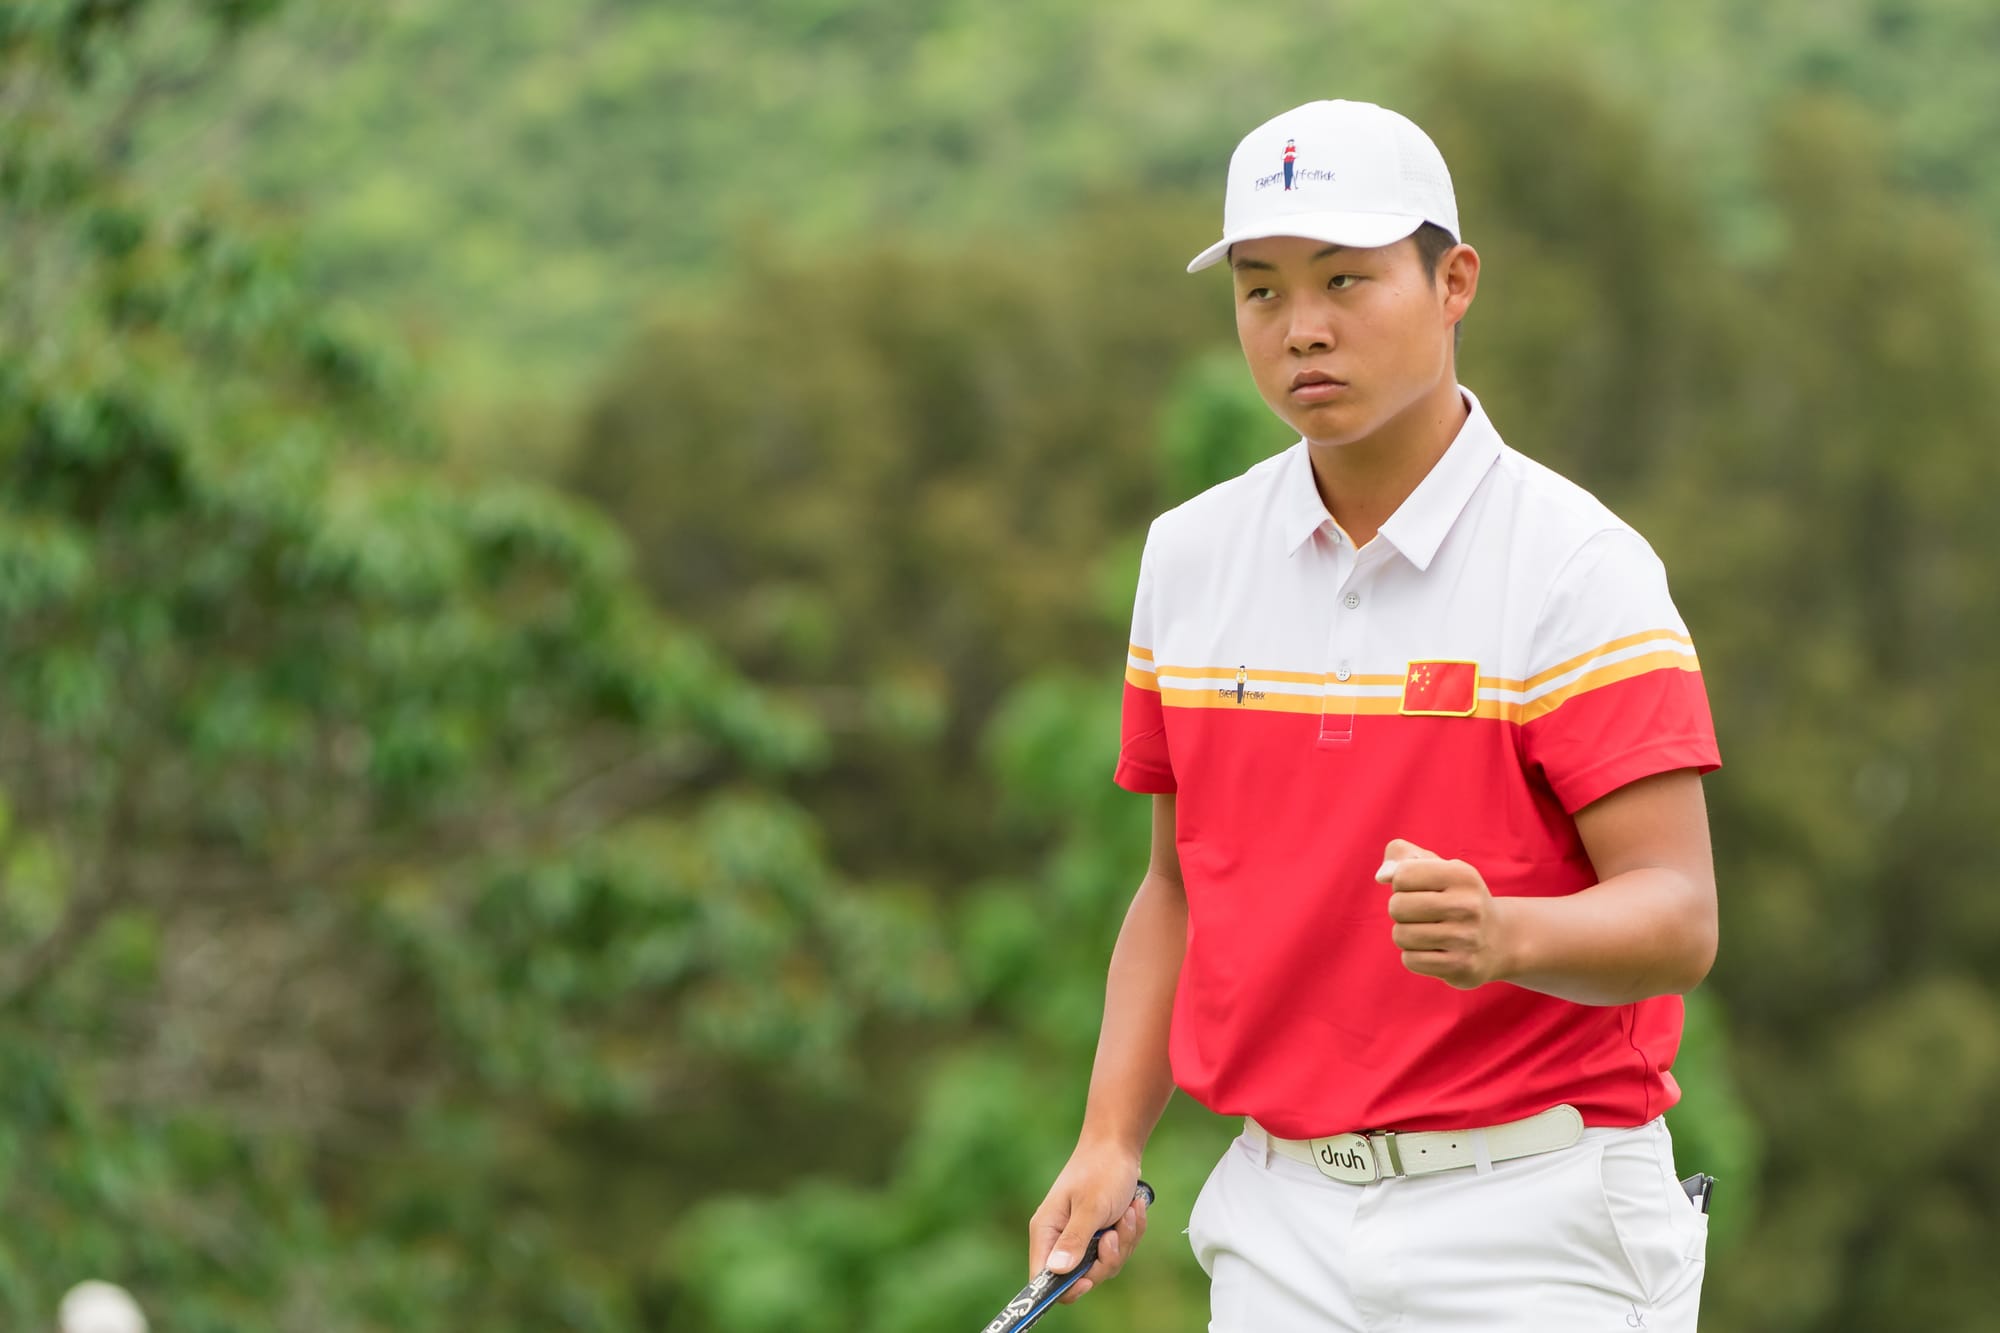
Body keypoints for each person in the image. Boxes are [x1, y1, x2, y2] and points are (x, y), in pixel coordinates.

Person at [1026, 98, 1721, 1331]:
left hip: (1542, 1219)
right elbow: (1177, 886)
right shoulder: (1187, 557)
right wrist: (1107, 1136)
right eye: (1260, 291)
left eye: (1345, 279)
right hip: (1279, 1222)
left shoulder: (1576, 568)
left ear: (1452, 281)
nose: (1302, 329)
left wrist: (1506, 934)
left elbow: (1677, 917)